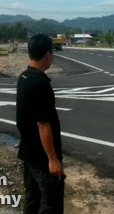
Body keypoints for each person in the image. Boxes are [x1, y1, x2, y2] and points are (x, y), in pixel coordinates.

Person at [16, 34, 65, 214]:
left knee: (32, 200)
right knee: (51, 204)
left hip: (28, 153)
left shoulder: (24, 77)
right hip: (42, 158)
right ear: (47, 55)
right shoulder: (40, 83)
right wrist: (53, 159)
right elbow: (43, 124)